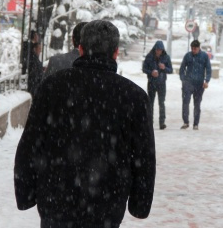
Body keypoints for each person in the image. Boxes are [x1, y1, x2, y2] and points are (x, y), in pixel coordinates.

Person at [14, 20, 156, 228]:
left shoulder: (53, 87)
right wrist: (140, 204)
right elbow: (144, 157)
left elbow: (31, 142)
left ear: (80, 49)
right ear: (116, 52)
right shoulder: (133, 97)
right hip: (107, 203)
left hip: (57, 200)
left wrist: (26, 193)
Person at [179, 39, 212, 130]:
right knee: (185, 102)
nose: (193, 50)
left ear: (199, 48)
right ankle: (186, 122)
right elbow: (182, 68)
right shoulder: (188, 56)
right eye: (192, 48)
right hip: (188, 83)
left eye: (195, 49)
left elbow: (208, 69)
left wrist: (206, 81)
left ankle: (195, 123)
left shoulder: (204, 56)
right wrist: (183, 79)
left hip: (199, 84)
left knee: (197, 104)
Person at [142, 40, 173, 130]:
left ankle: (162, 122)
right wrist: (151, 72)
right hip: (151, 83)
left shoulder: (166, 57)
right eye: (157, 50)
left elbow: (170, 70)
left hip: (162, 83)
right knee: (150, 103)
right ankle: (150, 122)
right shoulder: (149, 56)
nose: (159, 51)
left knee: (161, 102)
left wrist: (164, 68)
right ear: (155, 49)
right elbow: (144, 68)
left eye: (160, 50)